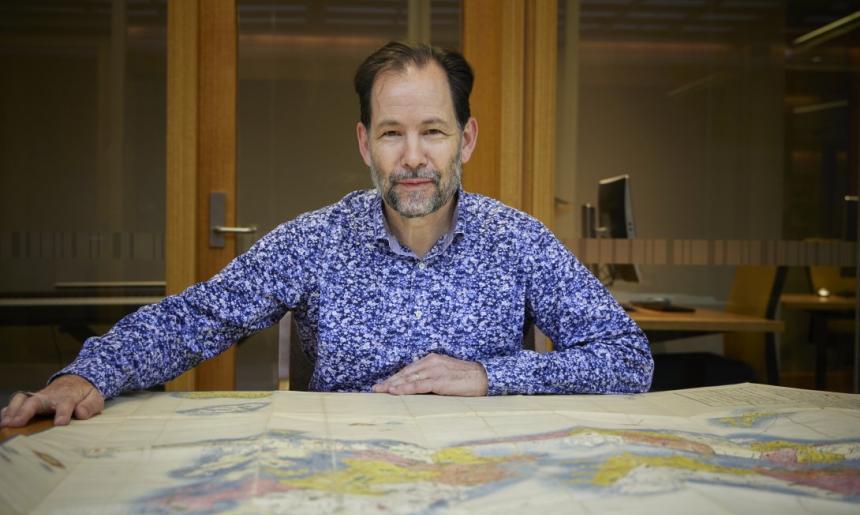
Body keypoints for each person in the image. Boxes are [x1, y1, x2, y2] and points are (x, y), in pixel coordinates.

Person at [1, 42, 653, 429]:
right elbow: (198, 316)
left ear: (467, 139)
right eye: (393, 133)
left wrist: (490, 375)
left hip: (485, 479)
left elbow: (629, 358)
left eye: (434, 130)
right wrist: (87, 373)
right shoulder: (316, 239)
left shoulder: (520, 240)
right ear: (365, 143)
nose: (414, 156)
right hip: (342, 480)